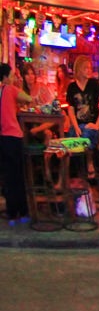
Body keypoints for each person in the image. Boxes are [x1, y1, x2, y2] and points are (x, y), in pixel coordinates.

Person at [1, 63, 33, 225]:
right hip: (13, 137)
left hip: (2, 139)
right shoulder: (10, 89)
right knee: (19, 177)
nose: (14, 78)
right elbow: (28, 98)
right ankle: (24, 213)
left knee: (8, 178)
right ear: (6, 77)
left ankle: (11, 214)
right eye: (12, 75)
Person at [65, 56, 99, 148]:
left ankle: (90, 161)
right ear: (79, 69)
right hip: (77, 125)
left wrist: (97, 125)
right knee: (69, 140)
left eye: (90, 68)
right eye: (86, 68)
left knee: (86, 136)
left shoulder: (94, 84)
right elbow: (71, 109)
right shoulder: (72, 87)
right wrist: (76, 127)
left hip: (92, 125)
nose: (89, 70)